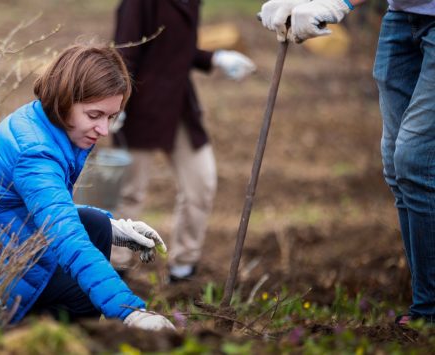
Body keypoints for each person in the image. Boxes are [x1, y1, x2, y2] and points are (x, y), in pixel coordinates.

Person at [0, 44, 176, 331]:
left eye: (110, 117)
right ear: (65, 100)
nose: (103, 130)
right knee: (77, 284)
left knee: (96, 225)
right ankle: (50, 340)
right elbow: (67, 237)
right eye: (94, 116)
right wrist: (131, 313)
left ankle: (54, 336)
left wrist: (115, 228)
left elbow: (41, 207)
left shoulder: (43, 122)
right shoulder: (36, 152)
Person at [259, 0, 435, 325]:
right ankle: (425, 303)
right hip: (401, 17)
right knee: (398, 169)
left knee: (414, 160)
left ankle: (429, 310)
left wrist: (340, 2)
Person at [111, 0, 257, 282]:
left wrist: (214, 59)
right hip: (140, 106)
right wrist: (117, 101)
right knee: (129, 192)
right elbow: (125, 50)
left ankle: (183, 268)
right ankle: (115, 269)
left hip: (180, 106)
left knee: (200, 183)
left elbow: (176, 48)